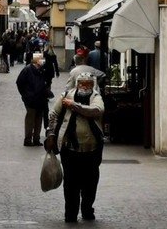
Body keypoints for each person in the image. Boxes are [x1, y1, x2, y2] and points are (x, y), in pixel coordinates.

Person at [45, 72, 105, 223]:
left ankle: (87, 208)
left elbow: (96, 111)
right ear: (77, 84)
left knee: (90, 182)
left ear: (93, 85)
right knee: (71, 183)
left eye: (88, 84)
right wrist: (51, 135)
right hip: (69, 148)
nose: (84, 87)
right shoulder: (66, 96)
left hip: (91, 149)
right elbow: (54, 115)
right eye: (82, 83)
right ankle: (70, 213)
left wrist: (74, 106)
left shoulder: (95, 97)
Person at [16, 53, 48, 146]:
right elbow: (19, 83)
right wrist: (25, 95)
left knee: (38, 118)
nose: (43, 61)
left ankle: (36, 139)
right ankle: (28, 139)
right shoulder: (27, 70)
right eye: (41, 59)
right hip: (30, 98)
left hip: (40, 98)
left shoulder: (42, 70)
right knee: (30, 118)